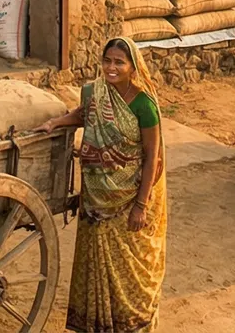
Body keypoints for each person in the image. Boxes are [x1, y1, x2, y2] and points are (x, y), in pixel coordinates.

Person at [35, 37, 165, 332]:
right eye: (107, 61)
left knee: (129, 266)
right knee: (96, 263)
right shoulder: (94, 92)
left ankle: (130, 322)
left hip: (127, 199)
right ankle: (97, 323)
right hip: (95, 197)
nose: (111, 67)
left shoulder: (144, 105)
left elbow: (152, 157)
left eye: (119, 62)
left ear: (133, 67)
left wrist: (141, 205)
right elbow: (83, 115)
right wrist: (56, 123)